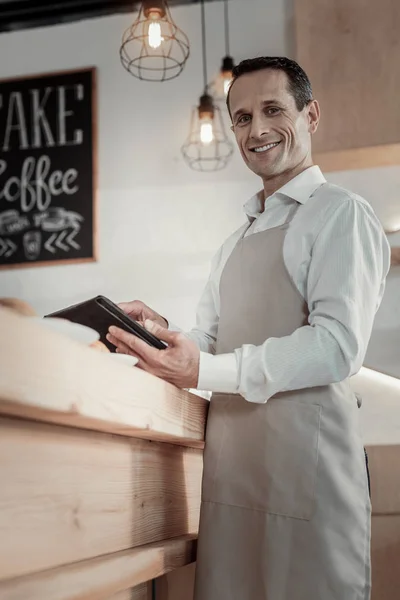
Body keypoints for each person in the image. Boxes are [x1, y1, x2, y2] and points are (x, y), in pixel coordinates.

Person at [107, 57, 390, 600]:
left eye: (272, 110)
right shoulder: (233, 242)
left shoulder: (341, 215)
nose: (255, 130)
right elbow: (211, 341)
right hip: (232, 474)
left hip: (309, 477)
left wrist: (205, 366)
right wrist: (159, 334)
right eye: (241, 118)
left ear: (311, 115)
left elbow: (336, 345)